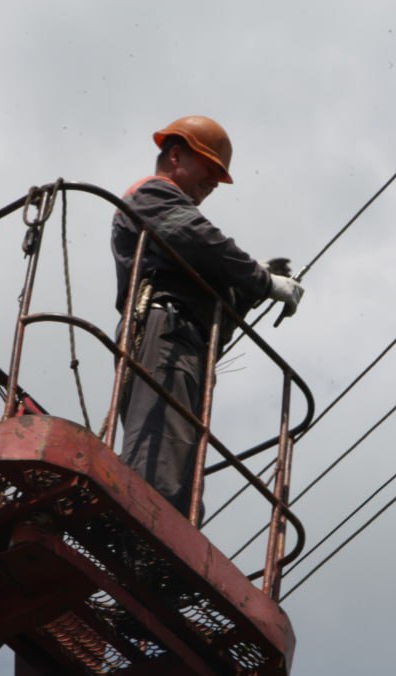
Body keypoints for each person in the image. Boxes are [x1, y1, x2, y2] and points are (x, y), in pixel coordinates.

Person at [111, 115, 303, 520]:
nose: (214, 182)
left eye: (220, 174)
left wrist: (255, 284)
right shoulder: (152, 195)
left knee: (181, 447)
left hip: (185, 338)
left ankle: (175, 532)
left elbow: (216, 293)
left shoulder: (175, 225)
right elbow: (201, 240)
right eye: (210, 168)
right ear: (176, 155)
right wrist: (261, 279)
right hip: (164, 330)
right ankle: (147, 529)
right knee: (161, 441)